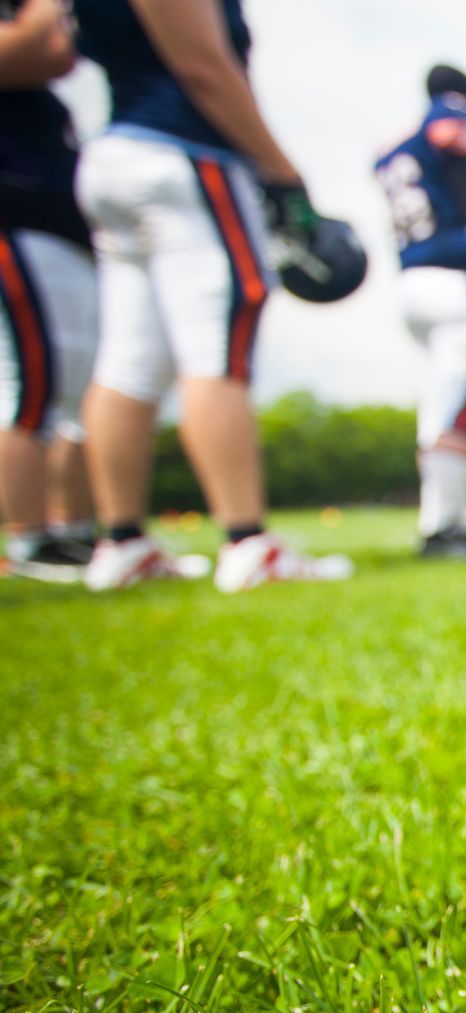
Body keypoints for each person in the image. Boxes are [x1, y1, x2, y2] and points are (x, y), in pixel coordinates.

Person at [68, 0, 352, 592]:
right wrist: (282, 172)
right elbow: (203, 65)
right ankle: (246, 540)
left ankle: (121, 541)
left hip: (115, 153)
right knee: (217, 347)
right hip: (185, 153)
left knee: (128, 360)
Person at [376, 64, 466, 559]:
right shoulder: (453, 123)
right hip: (455, 277)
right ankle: (444, 527)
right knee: (462, 406)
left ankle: (440, 518)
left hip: (409, 278)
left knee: (436, 404)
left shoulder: (396, 140)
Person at [1, 0, 97, 582]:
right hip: (16, 221)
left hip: (56, 228)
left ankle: (69, 530)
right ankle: (28, 538)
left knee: (71, 390)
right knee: (30, 388)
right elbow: (46, 49)